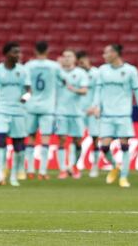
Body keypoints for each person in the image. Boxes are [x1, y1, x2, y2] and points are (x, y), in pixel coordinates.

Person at [93, 44, 138, 188]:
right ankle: (116, 166)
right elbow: (98, 90)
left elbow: (137, 91)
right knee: (104, 147)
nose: (104, 56)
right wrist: (96, 106)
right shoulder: (102, 70)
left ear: (115, 53)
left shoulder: (130, 71)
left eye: (106, 53)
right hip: (107, 114)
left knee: (124, 146)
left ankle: (124, 177)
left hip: (123, 115)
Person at [0, 41, 31, 187]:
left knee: (18, 146)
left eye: (19, 52)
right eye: (15, 52)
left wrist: (25, 98)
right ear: (6, 54)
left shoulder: (23, 71)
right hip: (1, 111)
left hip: (18, 112)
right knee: (0, 141)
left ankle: (13, 176)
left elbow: (29, 91)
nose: (18, 55)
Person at [24, 41, 63, 180]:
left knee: (31, 137)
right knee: (45, 138)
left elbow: (24, 85)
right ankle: (42, 171)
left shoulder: (28, 66)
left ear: (35, 51)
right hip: (48, 107)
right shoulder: (54, 66)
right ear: (47, 51)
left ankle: (29, 170)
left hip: (31, 106)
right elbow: (64, 81)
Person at [55, 49, 88, 179]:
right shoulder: (58, 73)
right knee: (62, 139)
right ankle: (63, 169)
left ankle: (73, 166)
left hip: (77, 112)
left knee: (77, 141)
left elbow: (84, 90)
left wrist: (72, 89)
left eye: (70, 56)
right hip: (60, 113)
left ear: (75, 59)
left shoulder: (80, 73)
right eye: (65, 56)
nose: (67, 58)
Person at [76, 50, 100, 178]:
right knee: (77, 139)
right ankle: (74, 167)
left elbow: (99, 92)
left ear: (88, 60)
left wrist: (96, 107)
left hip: (92, 111)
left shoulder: (96, 73)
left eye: (83, 61)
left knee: (95, 138)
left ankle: (95, 166)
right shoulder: (77, 74)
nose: (81, 64)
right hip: (79, 111)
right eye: (79, 62)